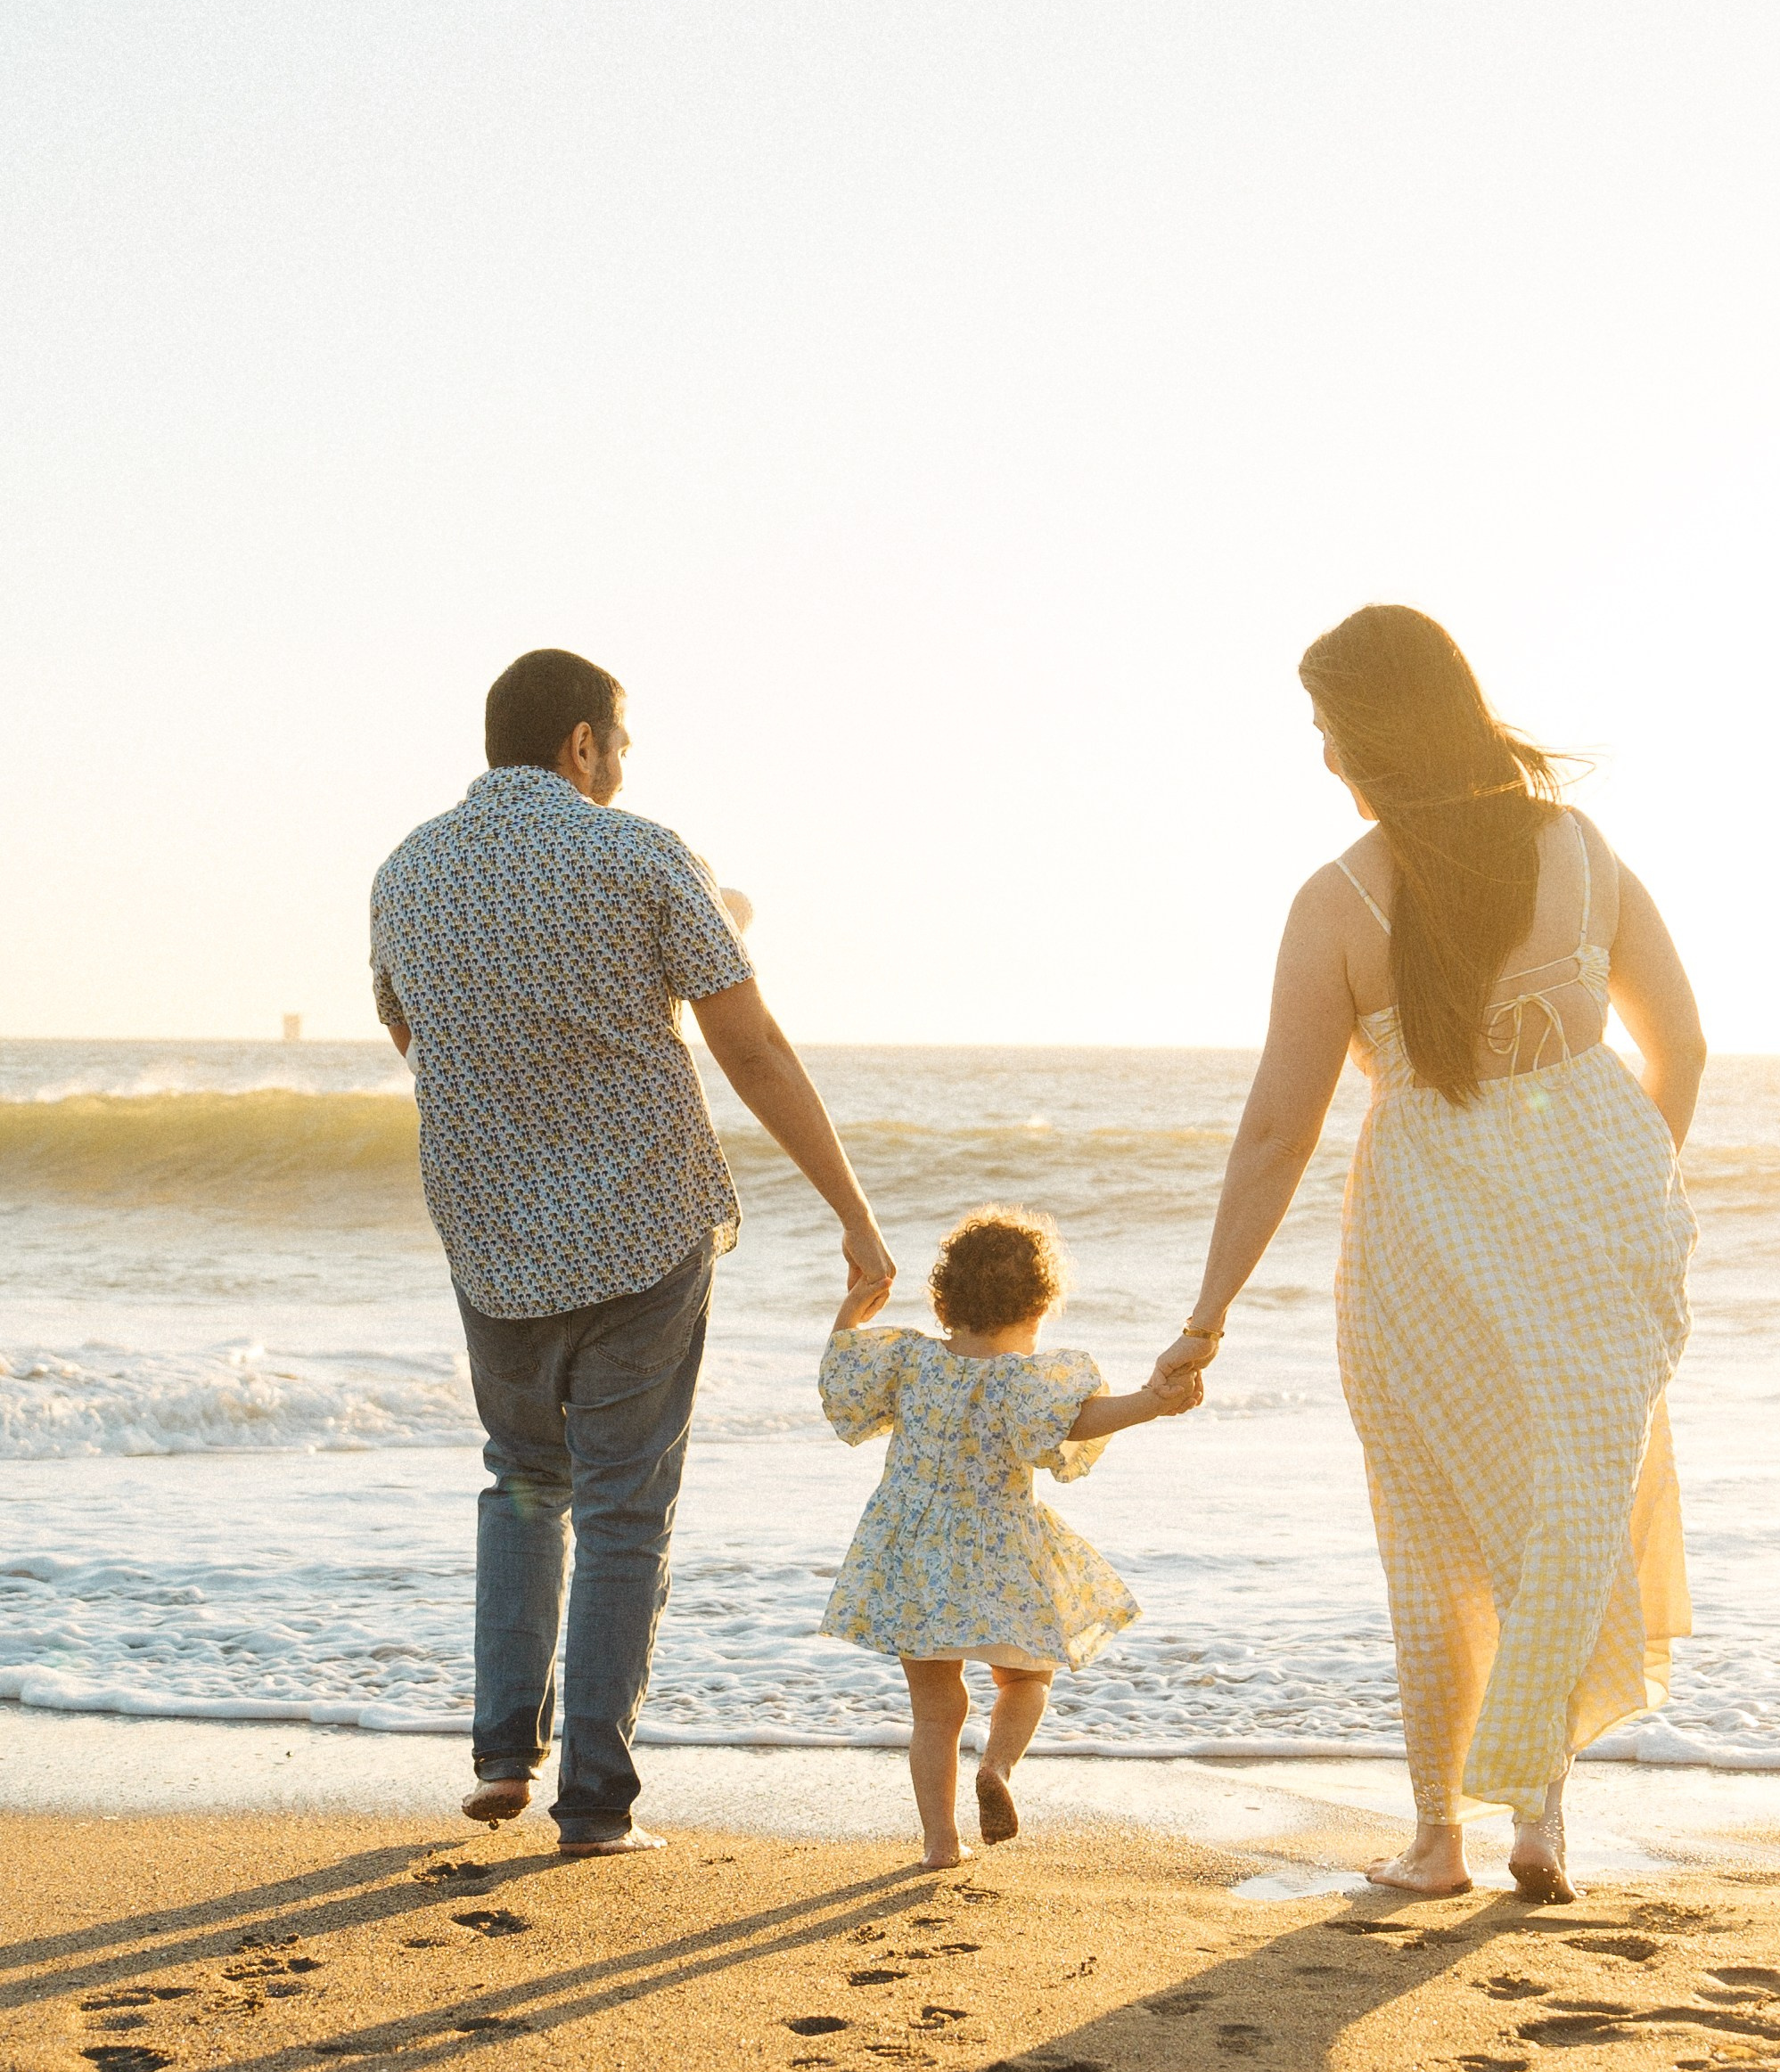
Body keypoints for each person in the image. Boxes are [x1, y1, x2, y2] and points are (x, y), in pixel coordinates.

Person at [1152, 604, 1704, 1903]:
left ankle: (1437, 1838)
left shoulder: (1336, 900)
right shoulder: (1581, 849)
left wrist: (1207, 1313)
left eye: (1329, 732)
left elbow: (1282, 1125)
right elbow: (1679, 1044)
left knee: (1437, 1532)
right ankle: (1541, 1818)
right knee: (1569, 1503)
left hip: (1422, 1234)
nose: (1323, 759)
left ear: (1375, 737)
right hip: (1600, 1217)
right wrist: (1628, 1178)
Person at [371, 645, 892, 1856]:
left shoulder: (402, 870)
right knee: (622, 1509)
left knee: (522, 1476)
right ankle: (595, 1802)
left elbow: (409, 1028)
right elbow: (751, 1047)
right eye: (622, 741)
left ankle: (506, 1748)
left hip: (489, 1230)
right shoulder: (639, 848)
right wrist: (854, 1214)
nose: (624, 762)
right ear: (582, 744)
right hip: (642, 1227)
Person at [816, 1208, 1199, 1869]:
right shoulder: (1023, 1381)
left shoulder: (909, 1359)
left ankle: (941, 1842)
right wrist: (1152, 1400)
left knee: (935, 1709)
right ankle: (997, 1767)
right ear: (1040, 1305)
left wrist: (853, 1306)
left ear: (944, 1300)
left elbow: (842, 1372)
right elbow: (1079, 1421)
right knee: (1027, 1676)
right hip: (999, 1553)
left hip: (912, 1557)